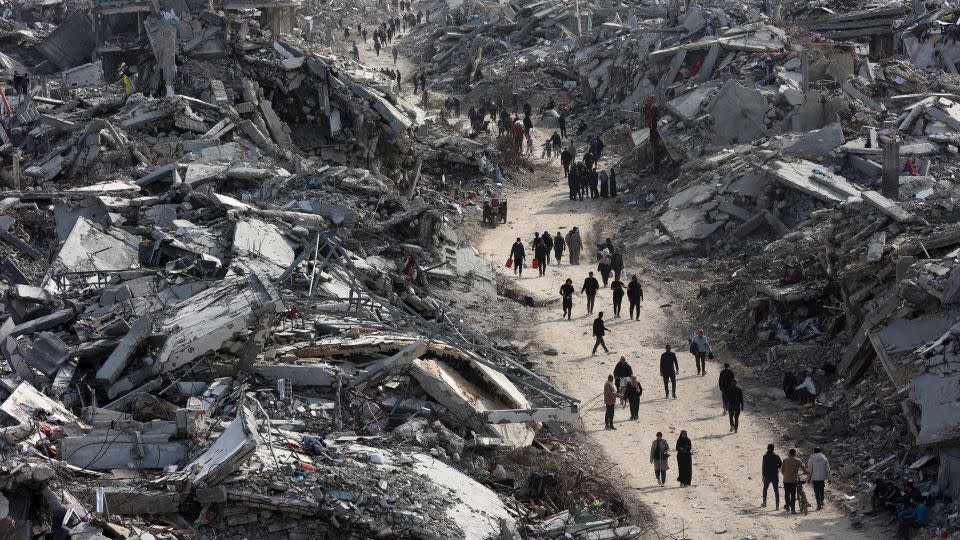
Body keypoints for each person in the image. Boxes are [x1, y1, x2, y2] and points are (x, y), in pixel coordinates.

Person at [782, 448, 808, 514]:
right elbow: (803, 468)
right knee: (793, 495)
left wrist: (785, 475)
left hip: (786, 480)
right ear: (795, 453)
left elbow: (782, 470)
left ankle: (787, 507)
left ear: (789, 453)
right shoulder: (798, 460)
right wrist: (807, 473)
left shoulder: (785, 460)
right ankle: (793, 509)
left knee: (787, 494)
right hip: (794, 480)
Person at [762, 444, 783, 509]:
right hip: (775, 475)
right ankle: (777, 506)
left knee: (765, 489)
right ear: (773, 449)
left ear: (767, 448)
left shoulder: (765, 456)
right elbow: (780, 465)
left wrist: (763, 476)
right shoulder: (777, 456)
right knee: (776, 490)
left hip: (767, 475)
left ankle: (764, 503)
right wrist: (776, 467)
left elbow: (763, 467)